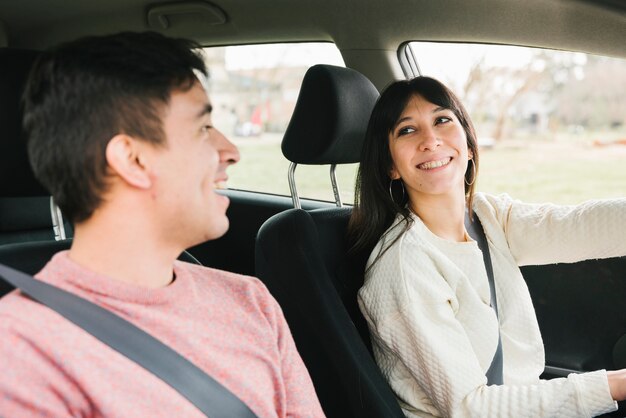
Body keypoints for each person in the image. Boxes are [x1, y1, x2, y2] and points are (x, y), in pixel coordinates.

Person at [0, 32, 325, 417]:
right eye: (203, 128)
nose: (231, 152)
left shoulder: (250, 300)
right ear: (132, 160)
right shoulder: (20, 353)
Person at [348, 76, 626, 417]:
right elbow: (472, 408)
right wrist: (615, 383)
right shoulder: (403, 268)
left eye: (442, 120)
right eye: (407, 130)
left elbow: (581, 226)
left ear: (467, 143)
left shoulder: (488, 217)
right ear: (391, 165)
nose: (430, 140)